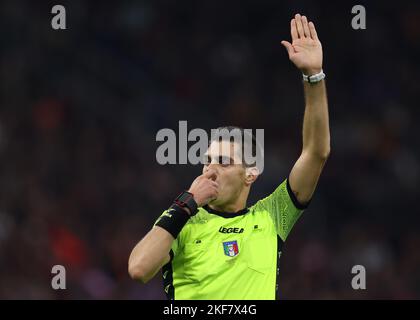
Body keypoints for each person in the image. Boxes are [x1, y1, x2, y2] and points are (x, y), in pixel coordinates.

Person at [128, 13, 330, 300]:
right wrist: (187, 203)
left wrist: (314, 77)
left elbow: (316, 152)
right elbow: (138, 269)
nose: (210, 170)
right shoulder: (183, 219)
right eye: (208, 161)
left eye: (223, 162)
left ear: (251, 172)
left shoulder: (272, 217)